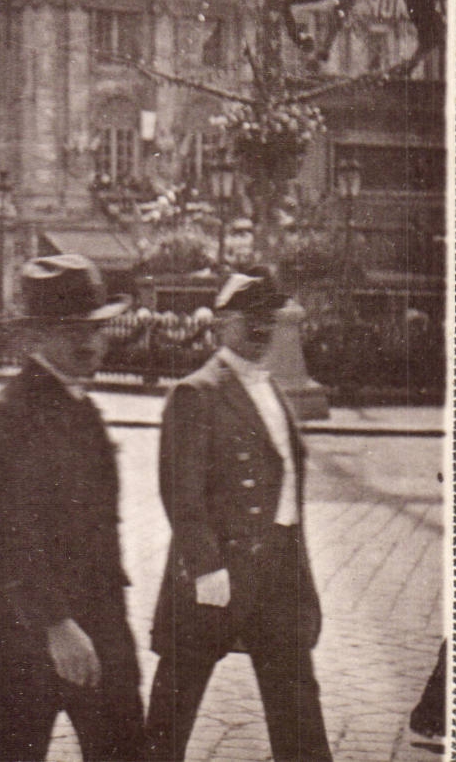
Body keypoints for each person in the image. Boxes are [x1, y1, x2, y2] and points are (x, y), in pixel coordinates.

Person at [145, 267, 332, 761]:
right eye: (250, 320)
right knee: (173, 709)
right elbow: (180, 493)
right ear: (223, 324)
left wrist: (299, 573)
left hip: (277, 570)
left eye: (268, 320)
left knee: (297, 705)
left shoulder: (271, 388)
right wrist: (207, 569)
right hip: (217, 574)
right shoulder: (198, 391)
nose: (261, 330)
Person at [0, 253, 143, 761]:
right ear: (34, 337)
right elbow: (7, 536)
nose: (88, 342)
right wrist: (56, 625)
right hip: (25, 628)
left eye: (95, 328)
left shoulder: (80, 407)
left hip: (100, 614)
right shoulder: (7, 416)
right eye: (69, 330)